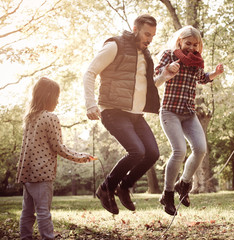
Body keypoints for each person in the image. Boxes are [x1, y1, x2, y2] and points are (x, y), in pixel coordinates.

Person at [83, 14, 165, 214]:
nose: (149, 39)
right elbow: (90, 72)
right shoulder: (115, 45)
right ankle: (106, 188)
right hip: (113, 110)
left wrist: (165, 76)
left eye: (153, 36)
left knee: (153, 153)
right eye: (147, 34)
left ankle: (124, 187)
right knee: (137, 151)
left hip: (135, 114)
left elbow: (145, 86)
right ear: (135, 29)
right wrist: (90, 104)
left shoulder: (145, 55)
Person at [154, 25, 224, 216]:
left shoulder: (196, 61)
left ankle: (183, 184)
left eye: (195, 45)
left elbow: (202, 78)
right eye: (188, 43)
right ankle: (167, 195)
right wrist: (167, 70)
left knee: (201, 149)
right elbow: (156, 76)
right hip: (170, 112)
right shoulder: (169, 55)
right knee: (179, 151)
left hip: (189, 113)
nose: (191, 48)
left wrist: (215, 73)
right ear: (180, 41)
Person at [17, 77, 96, 240]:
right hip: (42, 174)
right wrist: (82, 157)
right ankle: (48, 237)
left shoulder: (29, 118)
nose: (58, 101)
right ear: (48, 96)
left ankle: (25, 237)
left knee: (27, 212)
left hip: (27, 174)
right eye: (56, 97)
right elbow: (59, 147)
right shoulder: (50, 117)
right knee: (43, 212)